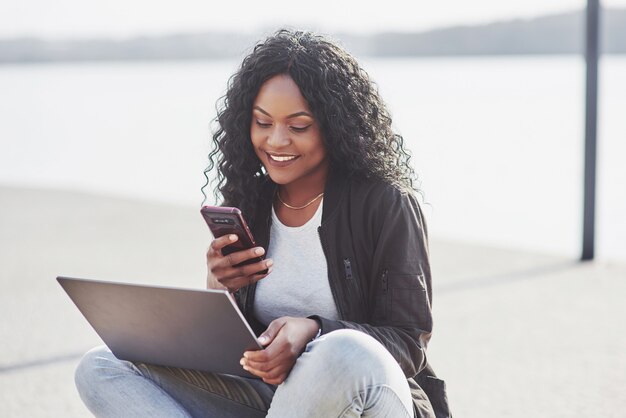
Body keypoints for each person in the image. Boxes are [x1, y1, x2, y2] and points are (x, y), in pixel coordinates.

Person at [74, 29, 451, 418]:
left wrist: (315, 331)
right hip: (271, 399)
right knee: (101, 366)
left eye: (298, 126)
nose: (276, 140)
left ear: (336, 127)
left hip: (366, 395)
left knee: (344, 350)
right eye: (262, 122)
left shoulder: (385, 204)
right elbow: (237, 351)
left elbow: (409, 342)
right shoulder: (249, 203)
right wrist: (218, 291)